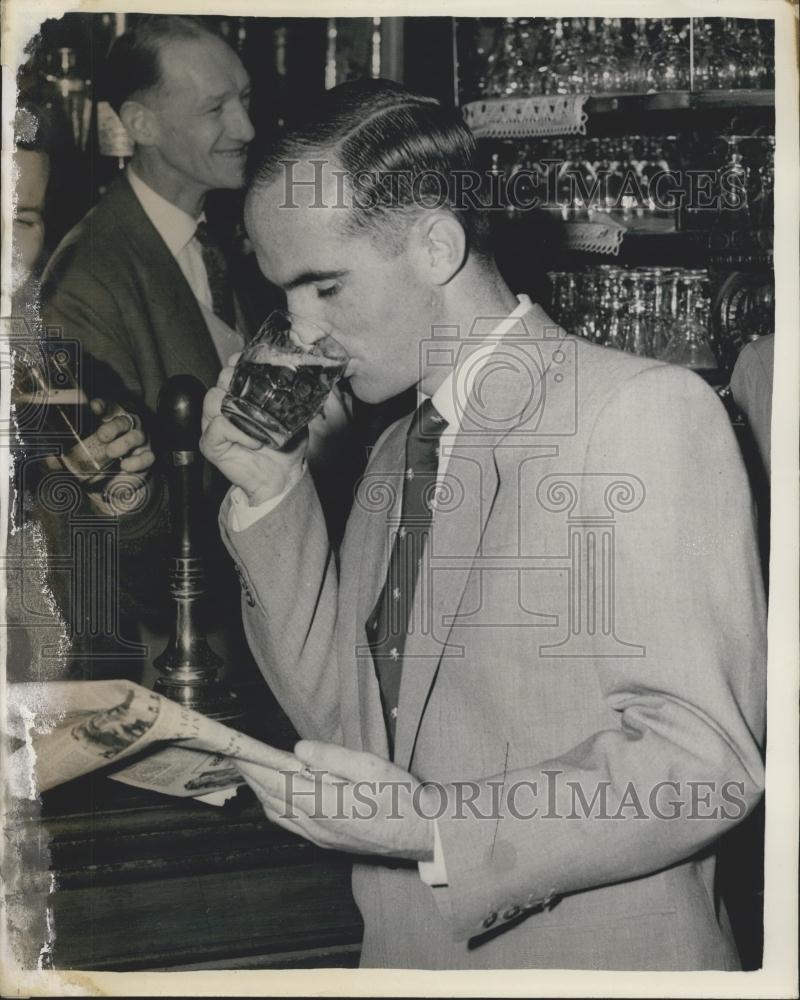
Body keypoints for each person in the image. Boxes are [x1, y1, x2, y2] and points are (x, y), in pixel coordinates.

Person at [200, 80, 766, 970]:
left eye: (325, 286)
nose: (300, 330)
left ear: (436, 244)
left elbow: (701, 765)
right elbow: (350, 732)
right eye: (286, 294)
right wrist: (271, 491)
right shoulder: (394, 454)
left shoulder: (639, 413)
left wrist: (434, 828)